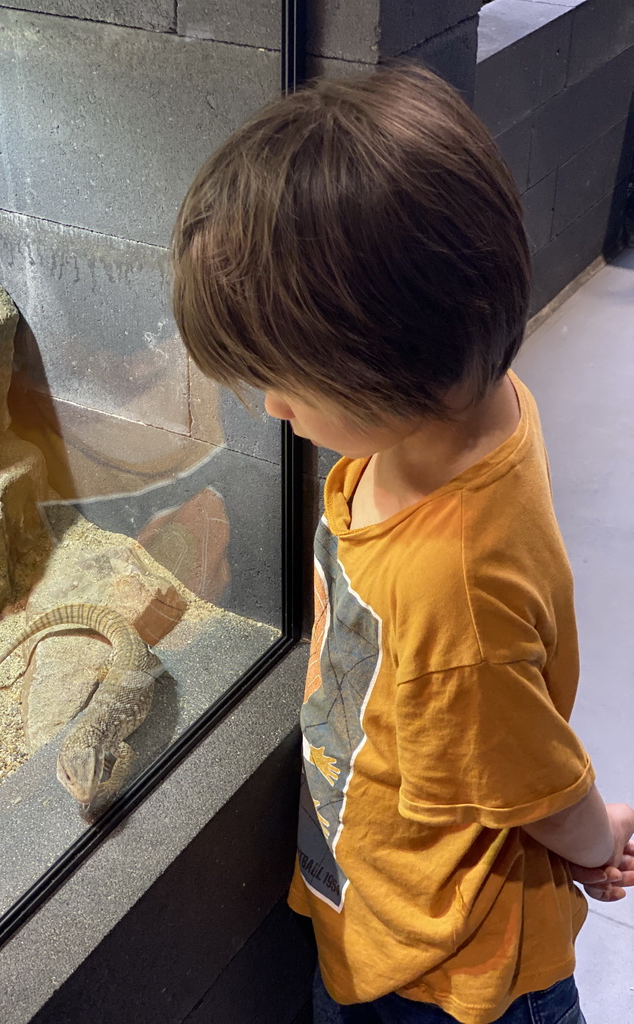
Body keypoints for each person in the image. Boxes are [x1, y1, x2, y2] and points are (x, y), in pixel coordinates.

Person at [169, 60, 634, 1024]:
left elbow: (533, 774)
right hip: (377, 903)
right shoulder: (479, 412)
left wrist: (595, 844)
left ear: (389, 359)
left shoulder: (452, 586)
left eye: (284, 380)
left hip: (450, 975)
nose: (271, 407)